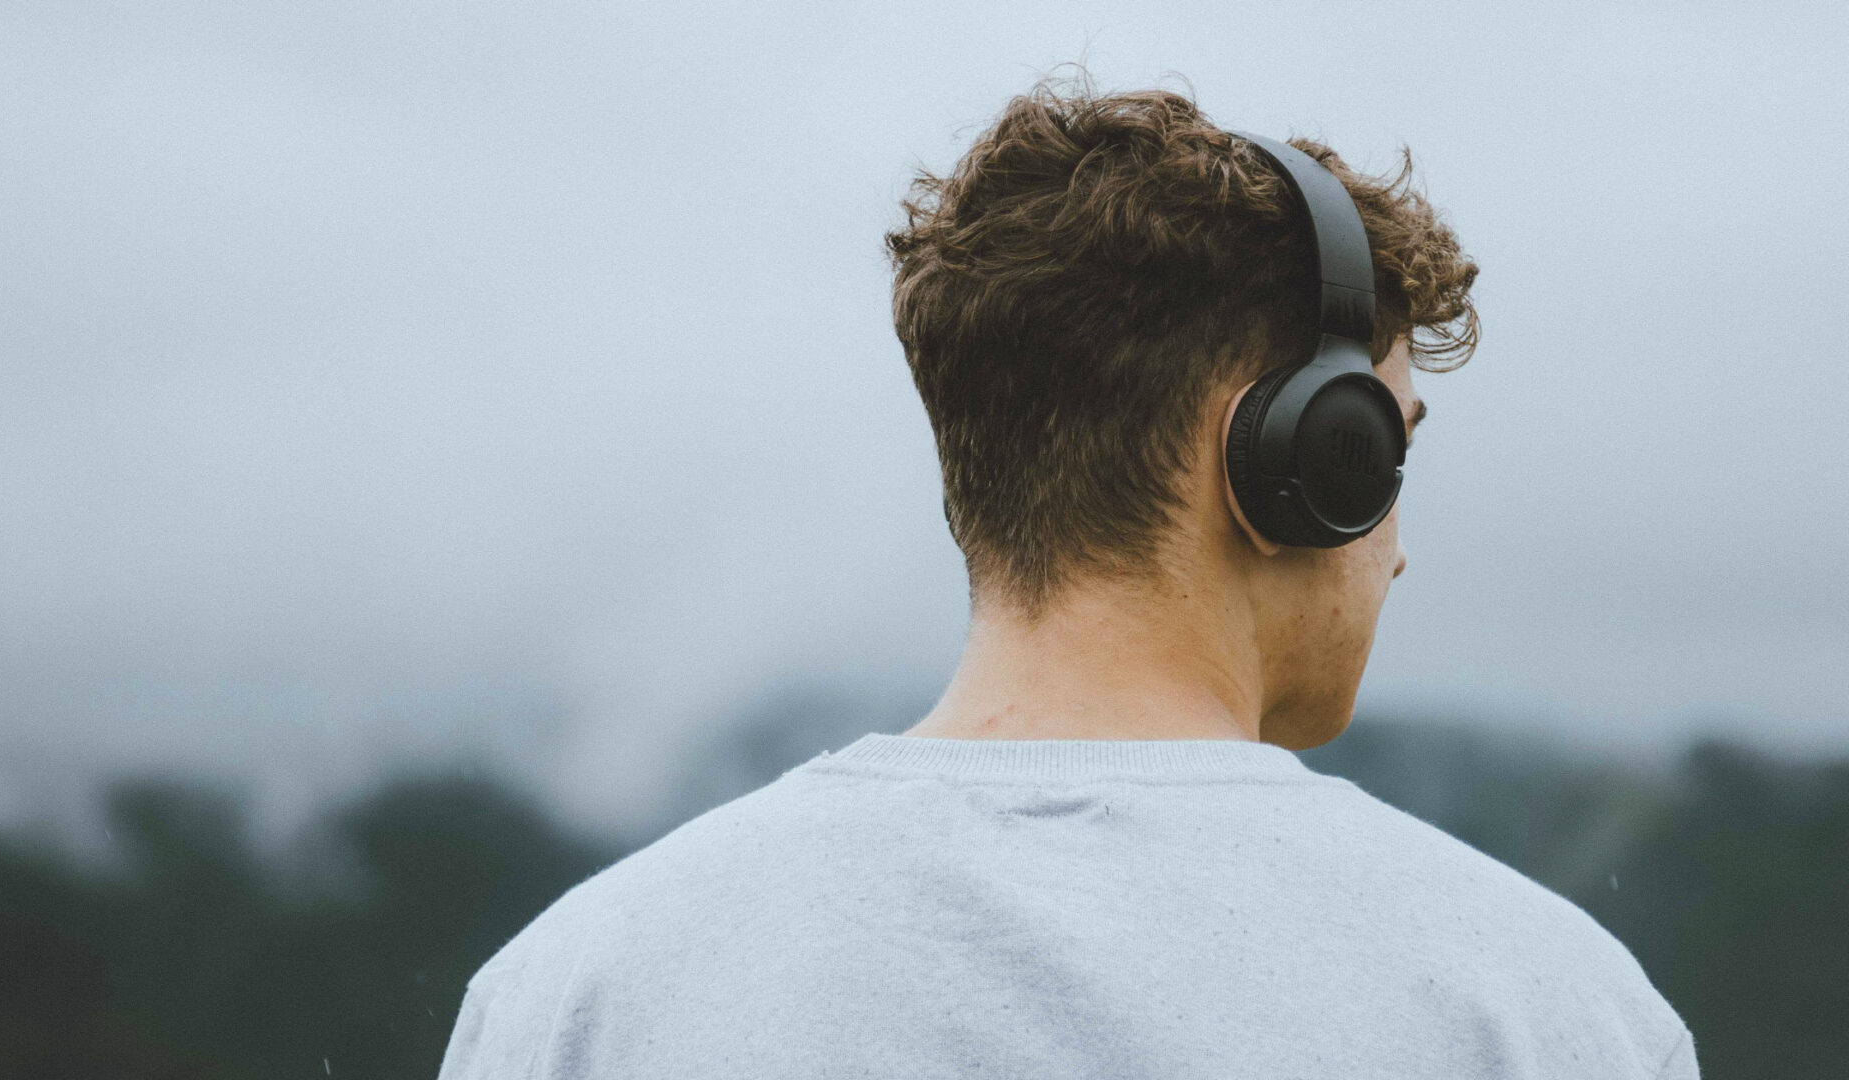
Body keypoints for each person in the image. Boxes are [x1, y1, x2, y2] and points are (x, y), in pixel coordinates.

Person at [438, 69, 1698, 1079]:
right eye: (1389, 457)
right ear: (1293, 463)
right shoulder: (1546, 1012)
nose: (1401, 549)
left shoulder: (574, 1001)